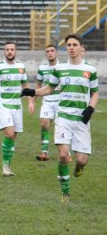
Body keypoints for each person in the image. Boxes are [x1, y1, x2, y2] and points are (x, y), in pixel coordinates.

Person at [21, 34, 99, 203]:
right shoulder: (60, 69)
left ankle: (79, 167)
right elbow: (49, 89)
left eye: (74, 44)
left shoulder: (90, 70)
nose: (71, 47)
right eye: (68, 45)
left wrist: (91, 108)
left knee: (82, 160)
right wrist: (33, 92)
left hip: (81, 120)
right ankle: (65, 193)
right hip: (63, 117)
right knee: (63, 155)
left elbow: (95, 93)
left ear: (81, 47)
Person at [0, 41, 35, 177]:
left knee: (14, 136)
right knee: (9, 133)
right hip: (3, 105)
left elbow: (25, 86)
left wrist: (30, 102)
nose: (10, 52)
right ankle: (5, 165)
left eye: (12, 49)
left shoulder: (21, 67)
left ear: (16, 51)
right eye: (7, 49)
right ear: (4, 51)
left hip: (17, 106)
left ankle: (8, 163)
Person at [34, 45, 60, 161]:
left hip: (60, 101)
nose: (50, 53)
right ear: (45, 54)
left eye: (52, 51)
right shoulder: (42, 68)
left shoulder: (62, 67)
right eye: (47, 51)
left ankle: (66, 153)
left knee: (62, 127)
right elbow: (38, 85)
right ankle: (44, 152)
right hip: (47, 101)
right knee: (44, 124)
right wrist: (33, 102)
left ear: (57, 53)